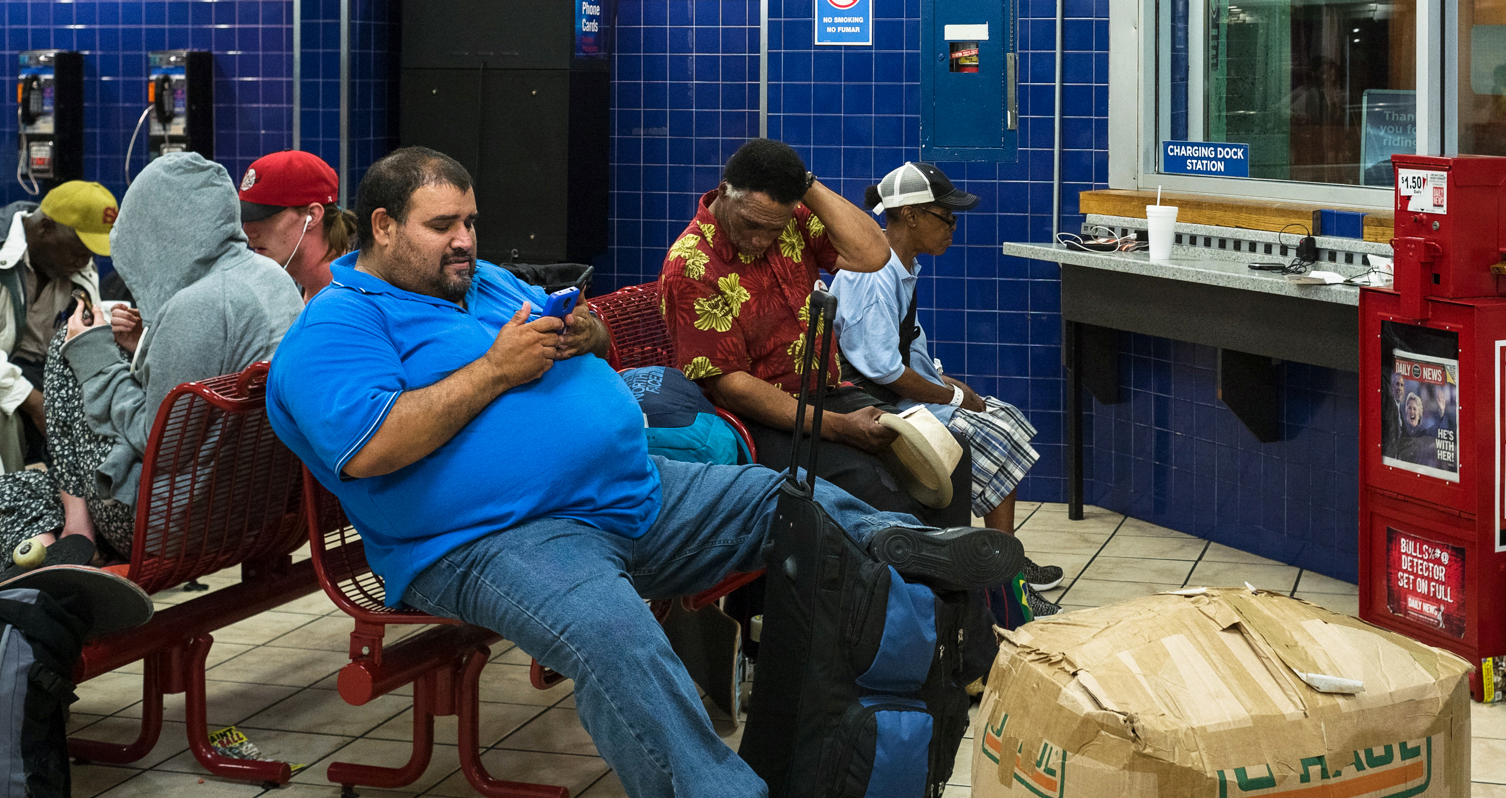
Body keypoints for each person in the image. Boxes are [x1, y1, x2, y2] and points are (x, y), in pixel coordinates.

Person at [268, 146, 1021, 798]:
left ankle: (905, 543)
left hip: (632, 494)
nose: (464, 241)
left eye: (470, 222)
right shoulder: (337, 325)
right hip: (497, 539)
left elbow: (563, 331)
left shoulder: (483, 281)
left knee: (784, 501)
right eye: (443, 228)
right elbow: (371, 448)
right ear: (382, 227)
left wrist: (588, 330)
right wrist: (495, 372)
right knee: (615, 638)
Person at [0, 155, 301, 560]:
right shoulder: (272, 279)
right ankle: (73, 521)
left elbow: (156, 438)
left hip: (166, 522)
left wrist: (93, 351)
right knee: (25, 489)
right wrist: (142, 346)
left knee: (68, 347)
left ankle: (77, 526)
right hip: (250, 506)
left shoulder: (200, 304)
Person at [662, 140, 974, 525]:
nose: (760, 240)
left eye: (773, 229)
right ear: (724, 191)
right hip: (763, 420)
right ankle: (917, 581)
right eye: (751, 224)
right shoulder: (692, 264)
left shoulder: (792, 219)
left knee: (950, 453)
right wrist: (841, 428)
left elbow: (873, 254)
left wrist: (804, 183)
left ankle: (953, 582)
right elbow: (733, 387)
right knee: (883, 493)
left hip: (830, 394)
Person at [829, 163, 1062, 600]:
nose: (953, 227)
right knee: (981, 434)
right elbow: (883, 371)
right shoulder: (874, 275)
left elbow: (906, 350)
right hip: (877, 404)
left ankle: (1004, 555)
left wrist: (950, 385)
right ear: (912, 215)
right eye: (946, 217)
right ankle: (1004, 586)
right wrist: (954, 395)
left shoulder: (900, 264)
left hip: (898, 392)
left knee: (1004, 417)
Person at [0, 182, 116, 470]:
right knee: (6, 413)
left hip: (43, 368)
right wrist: (31, 400)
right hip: (9, 372)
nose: (85, 261)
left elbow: (89, 323)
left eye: (91, 253)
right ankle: (10, 502)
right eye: (79, 251)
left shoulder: (70, 264)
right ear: (45, 227)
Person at [238, 150, 358, 299]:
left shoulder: (352, 300)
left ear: (312, 216)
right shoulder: (307, 290)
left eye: (264, 217)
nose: (248, 231)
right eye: (246, 218)